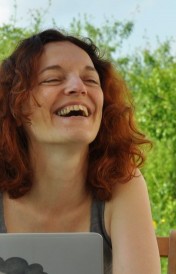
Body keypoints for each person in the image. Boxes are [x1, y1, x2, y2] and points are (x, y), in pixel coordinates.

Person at [0, 29, 160, 274]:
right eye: (53, 79)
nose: (78, 87)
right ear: (17, 105)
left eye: (91, 80)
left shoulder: (122, 181)